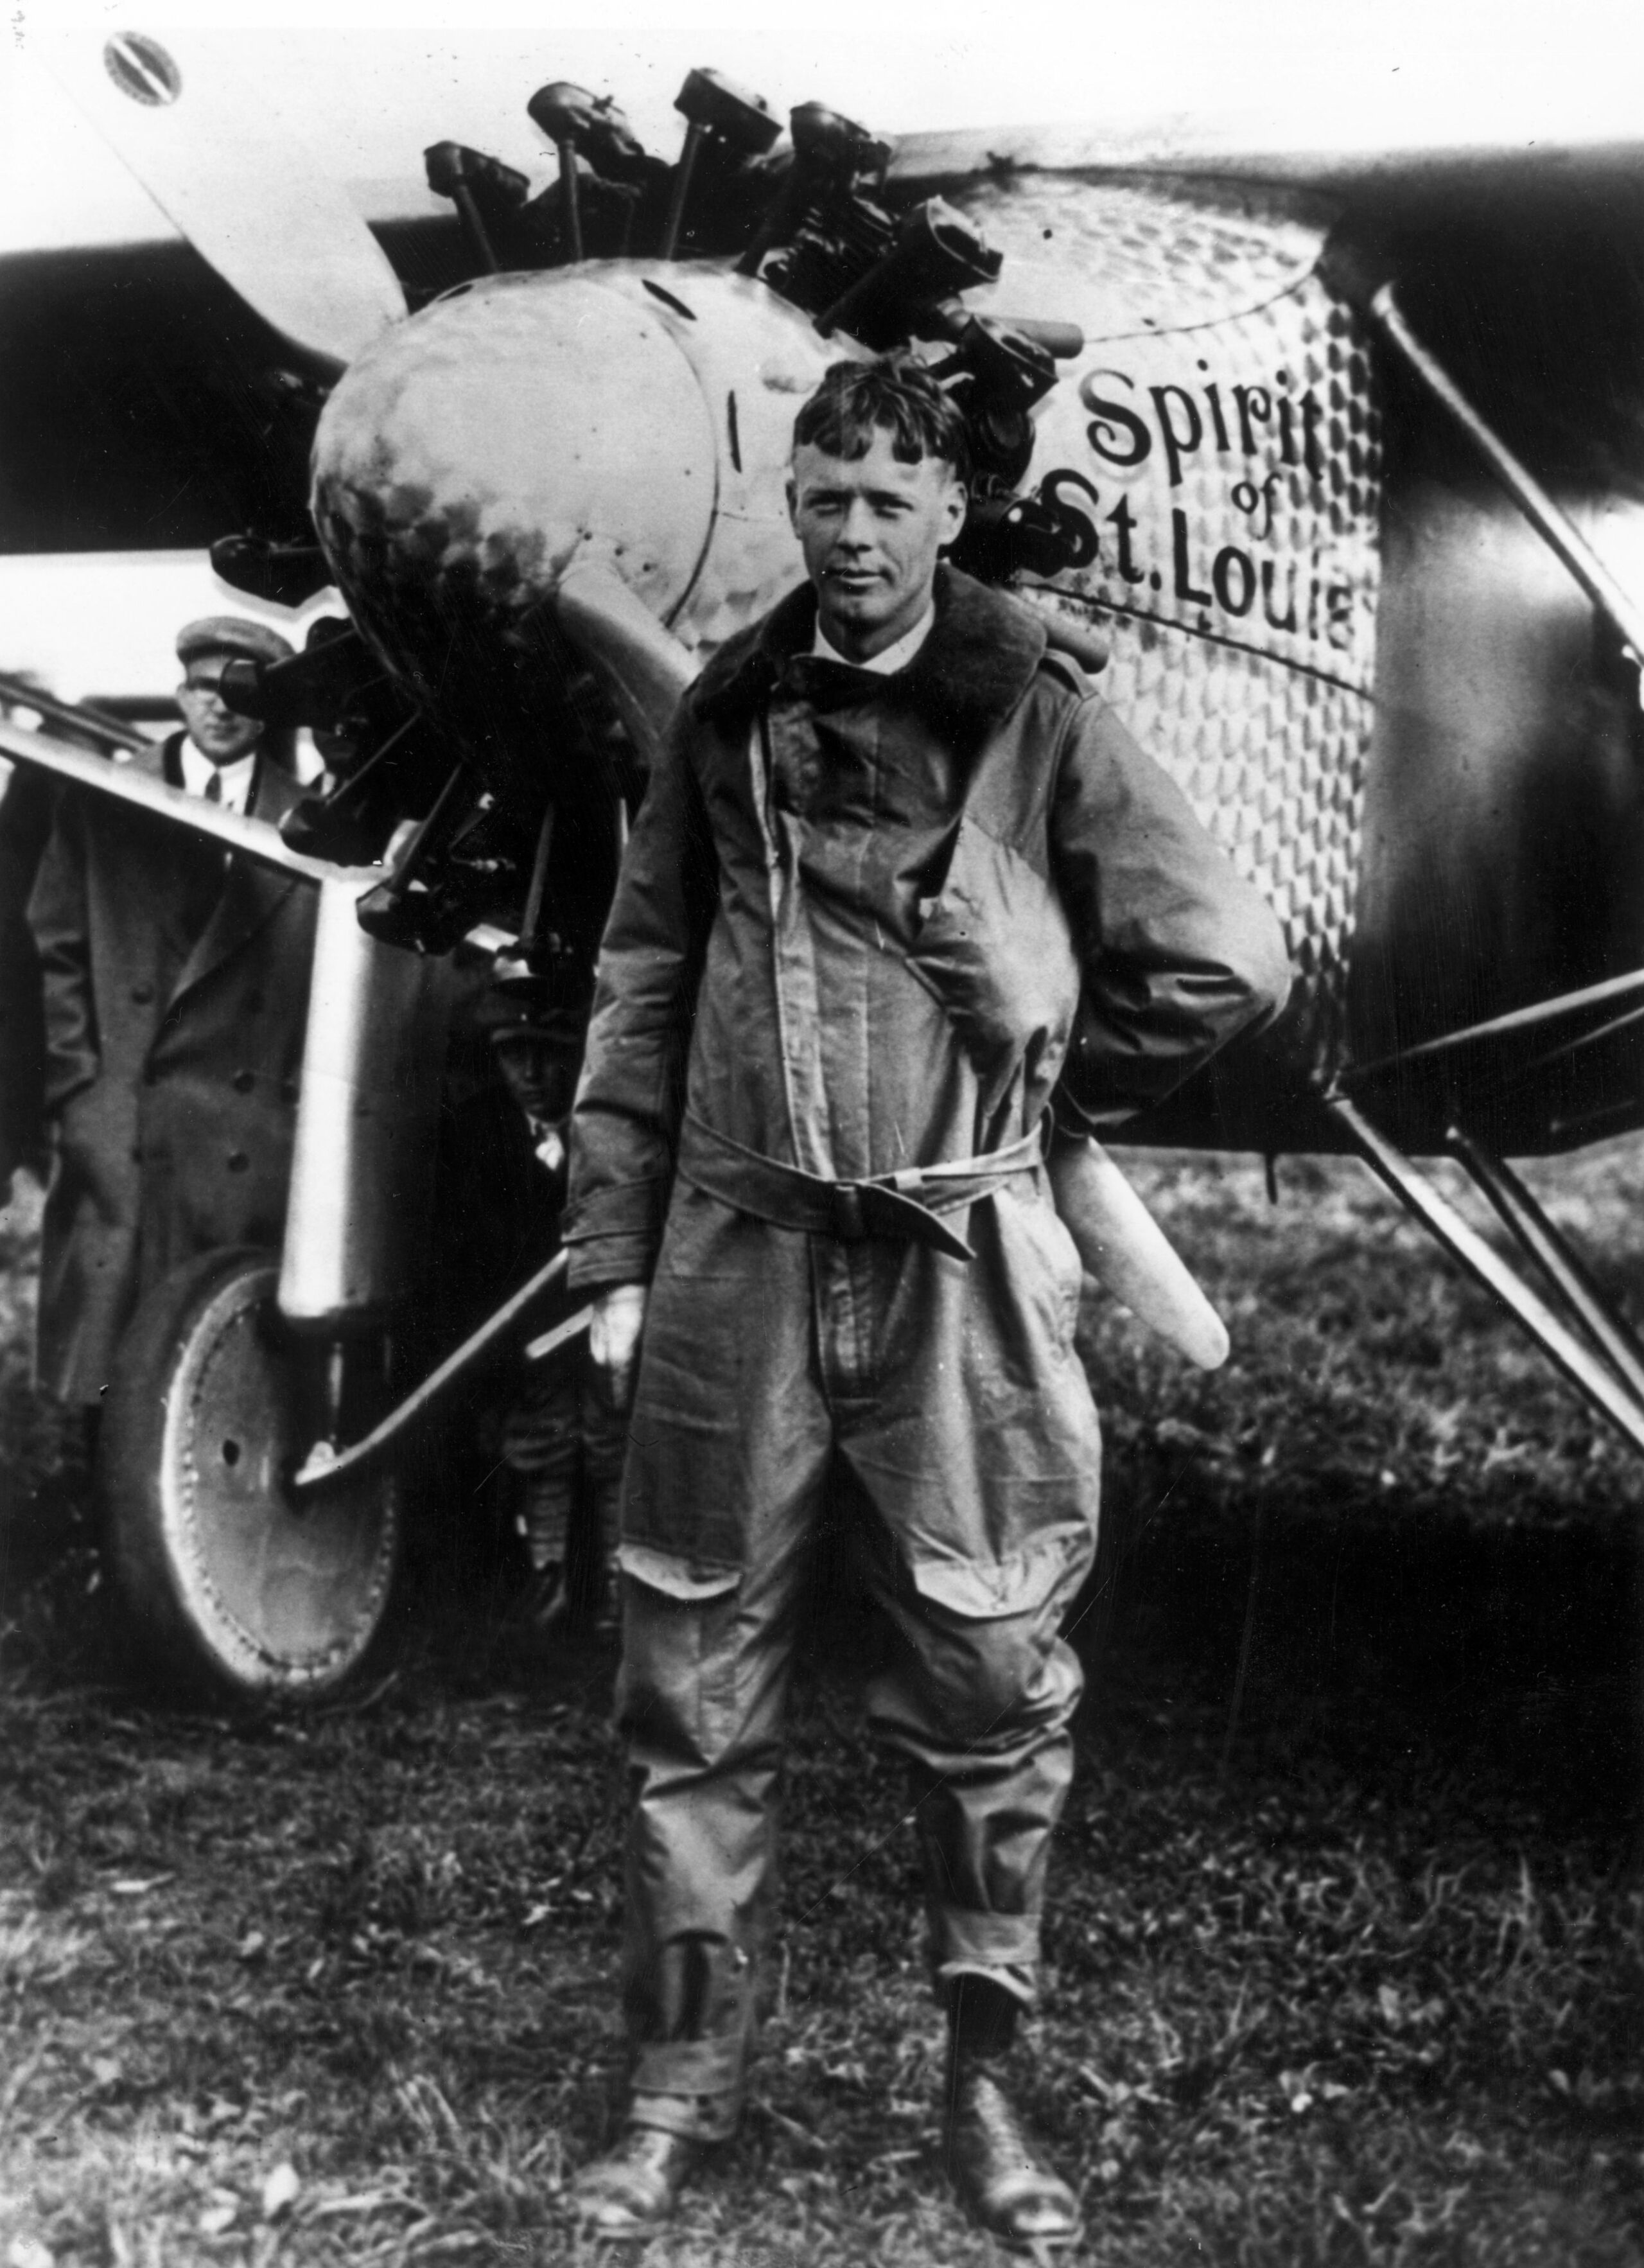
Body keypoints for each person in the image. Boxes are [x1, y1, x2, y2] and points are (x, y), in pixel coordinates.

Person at [561, 356, 1293, 2247]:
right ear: (791, 505)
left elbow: (1221, 957)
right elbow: (644, 981)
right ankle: (674, 2087)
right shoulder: (721, 717)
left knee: (987, 1674)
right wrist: (610, 1258)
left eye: (894, 502)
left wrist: (1036, 1103)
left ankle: (982, 2086)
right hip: (736, 1252)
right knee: (688, 1672)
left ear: (953, 511)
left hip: (961, 1263)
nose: (858, 536)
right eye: (827, 498)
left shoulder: (1035, 719)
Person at [26, 615, 316, 1418]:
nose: (219, 709)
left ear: (268, 712)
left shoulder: (313, 825)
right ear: (179, 695)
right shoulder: (107, 796)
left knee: (222, 1370)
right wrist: (78, 1089)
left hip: (247, 1139)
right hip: (124, 1121)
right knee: (110, 1366)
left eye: (240, 693)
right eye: (202, 688)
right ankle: (103, 1515)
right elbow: (55, 948)